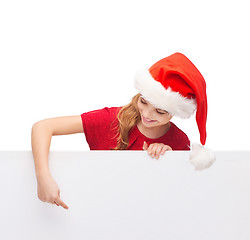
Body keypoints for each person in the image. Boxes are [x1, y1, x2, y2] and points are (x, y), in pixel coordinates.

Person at [31, 52, 215, 210]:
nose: (147, 114)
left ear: (174, 114)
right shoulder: (112, 119)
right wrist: (43, 177)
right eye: (143, 101)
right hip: (99, 208)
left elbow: (180, 196)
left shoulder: (179, 141)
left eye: (160, 111)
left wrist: (169, 159)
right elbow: (43, 127)